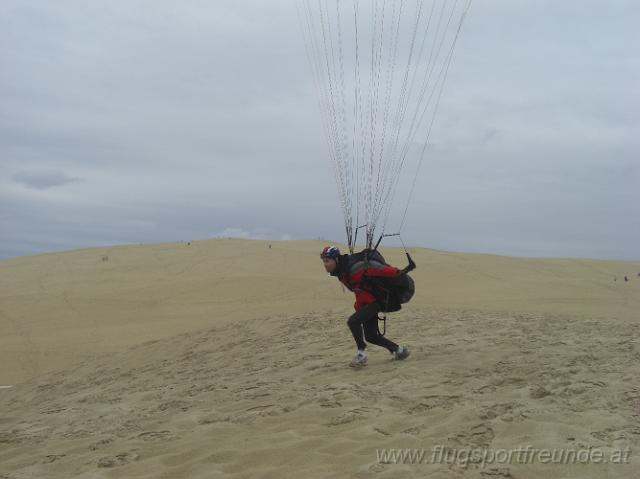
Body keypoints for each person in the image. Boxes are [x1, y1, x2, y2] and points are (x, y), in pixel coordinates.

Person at [320, 245, 410, 367]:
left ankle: (361, 354)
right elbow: (359, 289)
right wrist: (359, 306)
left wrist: (400, 272)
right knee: (371, 336)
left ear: (336, 259)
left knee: (353, 321)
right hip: (366, 303)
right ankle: (399, 350)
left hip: (375, 301)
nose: (325, 264)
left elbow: (377, 269)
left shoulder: (352, 268)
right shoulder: (342, 272)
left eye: (327, 261)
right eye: (324, 261)